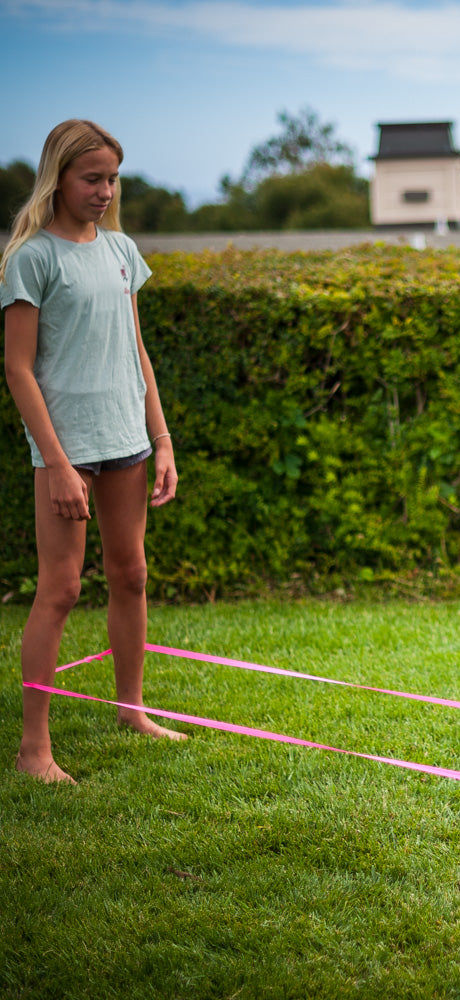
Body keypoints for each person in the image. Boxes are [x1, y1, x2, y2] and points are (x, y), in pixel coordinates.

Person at [1, 120, 185, 784]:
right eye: (92, 178)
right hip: (65, 451)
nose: (105, 190)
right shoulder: (31, 259)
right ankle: (33, 750)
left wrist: (161, 441)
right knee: (60, 588)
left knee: (131, 576)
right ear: (59, 178)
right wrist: (54, 462)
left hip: (128, 444)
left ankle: (131, 710)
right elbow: (18, 369)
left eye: (112, 178)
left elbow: (136, 352)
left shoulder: (121, 250)